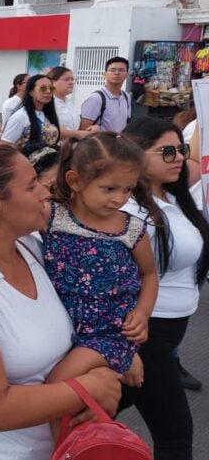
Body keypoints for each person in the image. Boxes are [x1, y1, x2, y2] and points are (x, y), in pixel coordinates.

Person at [0, 144, 122, 460]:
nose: (45, 192)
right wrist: (91, 387)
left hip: (61, 445)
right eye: (32, 186)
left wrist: (117, 349)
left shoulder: (32, 245)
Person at [41, 134, 157, 406]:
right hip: (60, 327)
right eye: (109, 189)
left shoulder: (132, 229)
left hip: (109, 332)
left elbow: (149, 274)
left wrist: (142, 313)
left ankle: (62, 449)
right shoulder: (50, 216)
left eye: (127, 189)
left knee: (56, 388)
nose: (120, 198)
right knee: (77, 403)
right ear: (75, 181)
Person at [122, 117, 209, 458]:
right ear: (135, 155)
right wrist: (126, 350)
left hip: (169, 333)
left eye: (181, 150)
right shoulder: (127, 209)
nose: (178, 158)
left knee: (105, 402)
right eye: (167, 151)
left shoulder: (176, 198)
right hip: (146, 333)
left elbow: (198, 160)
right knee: (175, 433)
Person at [0, 74, 60, 150]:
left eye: (51, 88)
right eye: (43, 88)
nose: (48, 92)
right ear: (31, 92)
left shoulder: (49, 115)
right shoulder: (20, 117)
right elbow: (5, 146)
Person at [80, 56, 131, 133]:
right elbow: (83, 130)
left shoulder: (126, 97)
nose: (117, 73)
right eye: (112, 70)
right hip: (101, 144)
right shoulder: (96, 98)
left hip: (120, 143)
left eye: (121, 70)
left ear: (127, 74)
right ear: (104, 74)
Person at [48, 66, 95, 140]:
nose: (71, 82)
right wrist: (78, 134)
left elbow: (74, 127)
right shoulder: (48, 103)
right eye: (67, 79)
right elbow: (47, 131)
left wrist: (92, 128)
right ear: (52, 82)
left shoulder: (68, 102)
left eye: (72, 79)